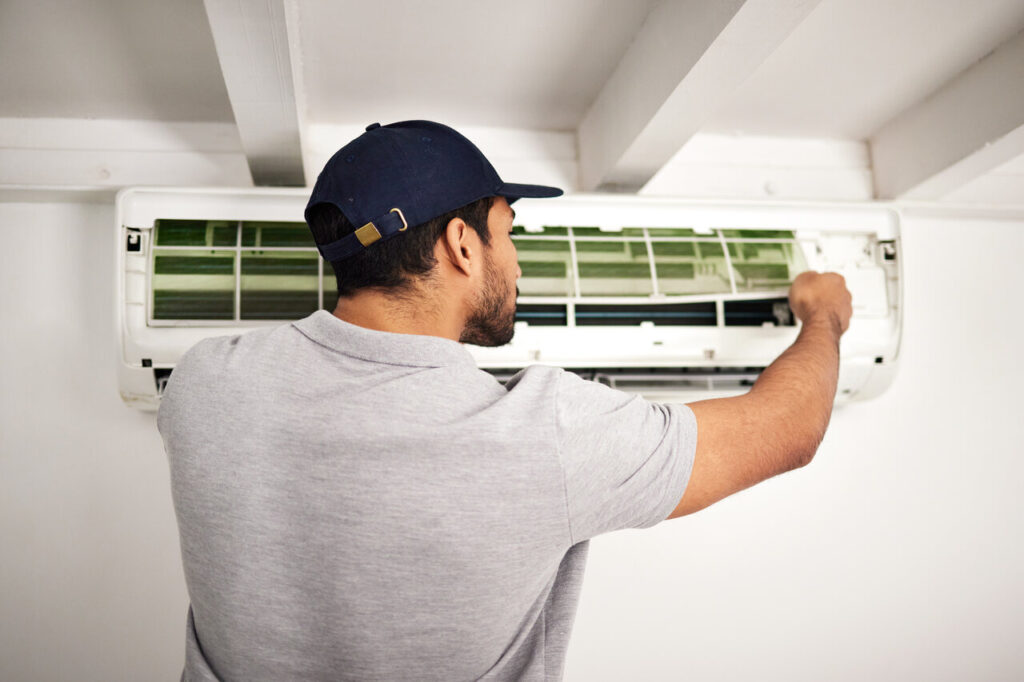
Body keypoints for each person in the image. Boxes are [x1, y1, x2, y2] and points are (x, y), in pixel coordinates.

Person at [157, 120, 853, 682]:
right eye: (509, 229)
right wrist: (823, 314)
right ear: (462, 244)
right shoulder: (541, 433)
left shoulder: (203, 385)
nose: (515, 259)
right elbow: (791, 428)